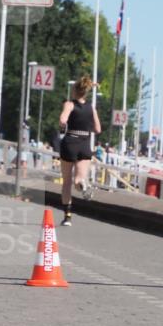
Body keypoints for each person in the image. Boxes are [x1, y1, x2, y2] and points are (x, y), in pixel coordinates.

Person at [58, 76, 102, 227]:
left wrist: (63, 125)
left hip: (70, 142)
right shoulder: (91, 107)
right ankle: (83, 184)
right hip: (84, 144)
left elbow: (63, 119)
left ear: (75, 90)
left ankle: (67, 217)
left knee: (66, 182)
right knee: (77, 180)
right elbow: (98, 129)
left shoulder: (69, 104)